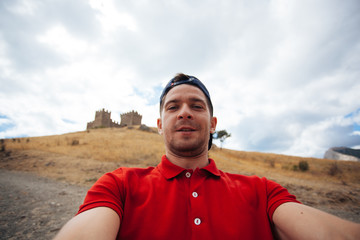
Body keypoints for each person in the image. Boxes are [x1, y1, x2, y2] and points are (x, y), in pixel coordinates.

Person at [54, 73, 360, 240]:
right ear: (159, 125)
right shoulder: (119, 184)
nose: (185, 111)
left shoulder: (262, 191)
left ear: (213, 123)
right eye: (173, 107)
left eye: (197, 106)